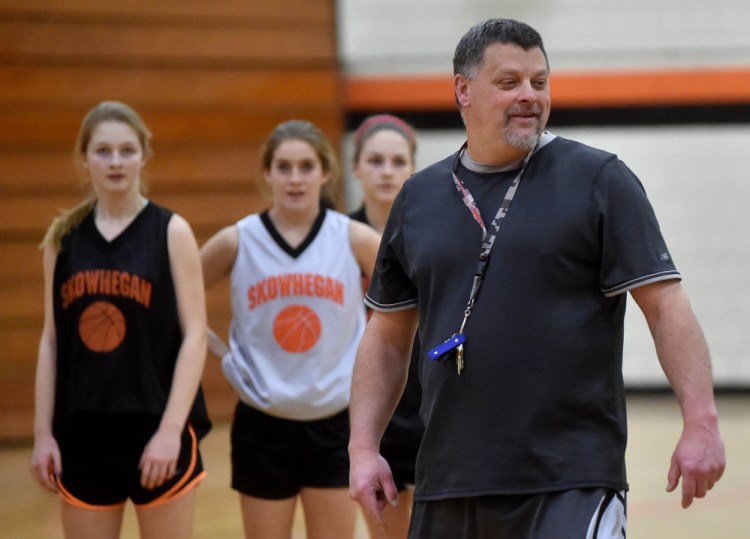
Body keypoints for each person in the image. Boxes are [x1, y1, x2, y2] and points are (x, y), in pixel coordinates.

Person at [348, 18, 726, 539]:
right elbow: (387, 338)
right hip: (448, 481)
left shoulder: (600, 180)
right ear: (463, 89)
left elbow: (666, 307)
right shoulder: (418, 198)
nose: (529, 96)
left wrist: (701, 422)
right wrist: (363, 447)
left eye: (540, 82)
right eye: (509, 83)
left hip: (571, 480)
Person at [30, 100, 211, 539]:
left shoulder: (171, 231)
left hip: (155, 426)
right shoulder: (63, 238)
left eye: (126, 150)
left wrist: (170, 431)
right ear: (84, 157)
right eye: (103, 151)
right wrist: (42, 434)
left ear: (145, 155)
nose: (115, 162)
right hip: (83, 431)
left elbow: (195, 337)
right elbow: (52, 341)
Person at [200, 119, 381, 539]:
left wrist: (372, 357)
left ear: (325, 172)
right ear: (267, 173)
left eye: (305, 166)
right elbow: (176, 296)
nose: (295, 178)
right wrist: (221, 354)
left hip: (336, 423)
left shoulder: (354, 239)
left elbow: (413, 300)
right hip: (262, 423)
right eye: (284, 167)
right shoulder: (238, 240)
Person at [348, 114, 423, 539]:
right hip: (371, 411)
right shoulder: (333, 236)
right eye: (375, 161)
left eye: (398, 161)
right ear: (355, 167)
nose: (387, 170)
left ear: (412, 167)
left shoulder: (434, 236)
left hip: (429, 405)